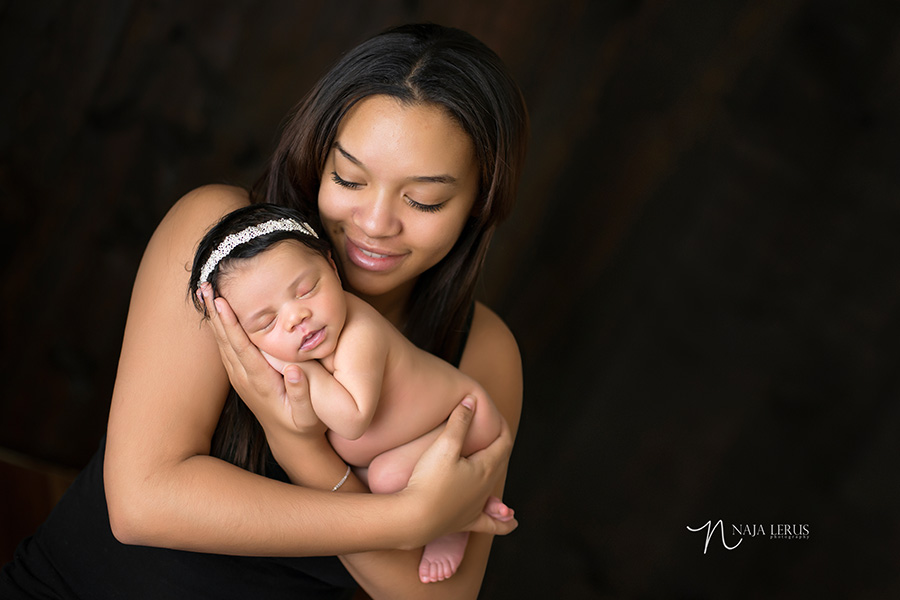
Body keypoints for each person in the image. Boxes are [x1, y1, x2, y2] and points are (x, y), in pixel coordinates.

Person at [0, 22, 527, 599]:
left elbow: (433, 598)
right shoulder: (222, 251)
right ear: (316, 159)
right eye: (349, 179)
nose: (376, 224)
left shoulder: (483, 347)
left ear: (480, 201)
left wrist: (301, 448)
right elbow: (142, 502)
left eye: (424, 199)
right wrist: (408, 521)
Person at [189, 202, 513, 583]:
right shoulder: (308, 340)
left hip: (462, 423)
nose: (296, 318)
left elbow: (353, 419)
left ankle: (453, 524)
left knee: (387, 479)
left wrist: (298, 368)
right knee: (380, 480)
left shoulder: (359, 334)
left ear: (331, 263)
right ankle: (468, 503)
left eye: (307, 289)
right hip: (408, 441)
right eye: (267, 322)